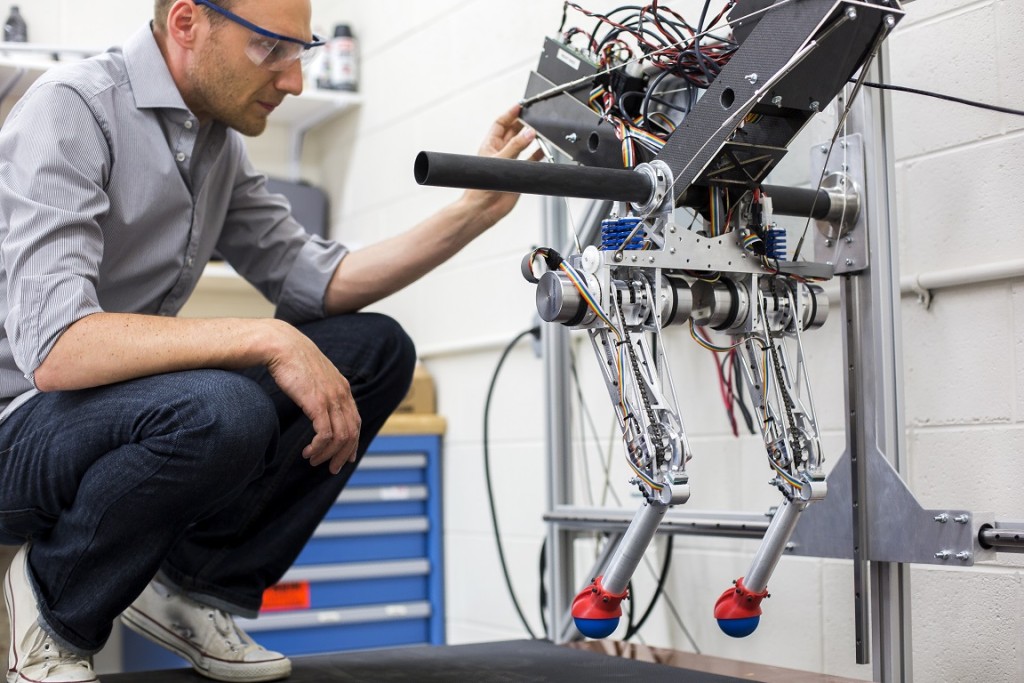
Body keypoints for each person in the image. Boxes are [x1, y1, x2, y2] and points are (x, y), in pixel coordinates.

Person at [0, 0, 537, 681]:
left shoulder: (216, 145)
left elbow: (320, 278)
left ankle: (186, 587)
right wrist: (267, 337)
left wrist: (473, 210)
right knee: (221, 407)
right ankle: (52, 606)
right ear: (188, 24)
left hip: (101, 412)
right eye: (270, 51)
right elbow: (59, 349)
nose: (294, 81)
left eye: (301, 52)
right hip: (15, 423)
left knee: (375, 351)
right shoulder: (72, 110)